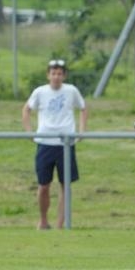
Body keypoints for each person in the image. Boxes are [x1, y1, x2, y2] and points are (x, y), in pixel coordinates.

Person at [22, 59, 88, 230]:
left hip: (65, 143)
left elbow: (83, 107)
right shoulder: (40, 92)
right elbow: (26, 109)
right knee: (44, 185)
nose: (56, 77)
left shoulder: (71, 91)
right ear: (48, 75)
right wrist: (29, 132)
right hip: (45, 143)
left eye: (59, 73)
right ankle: (43, 221)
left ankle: (61, 224)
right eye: (53, 73)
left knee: (65, 184)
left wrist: (81, 130)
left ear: (64, 75)